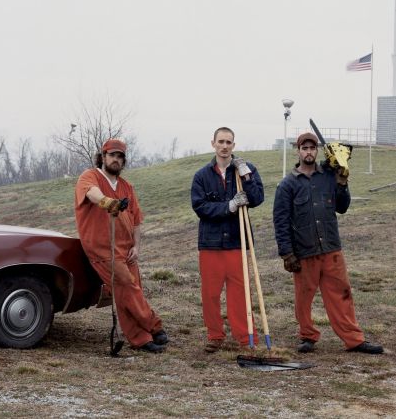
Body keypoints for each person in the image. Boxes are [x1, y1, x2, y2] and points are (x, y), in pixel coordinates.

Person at [272, 131, 383, 355]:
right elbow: (281, 222)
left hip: (331, 249)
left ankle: (354, 340)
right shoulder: (288, 185)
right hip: (304, 252)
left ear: (317, 151)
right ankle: (307, 337)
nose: (309, 152)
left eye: (312, 148)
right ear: (298, 151)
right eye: (305, 148)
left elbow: (342, 207)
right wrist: (287, 253)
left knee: (342, 295)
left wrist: (342, 183)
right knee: (303, 298)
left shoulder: (329, 176)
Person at [74, 138, 168, 353]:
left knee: (129, 291)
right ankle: (153, 326)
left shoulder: (127, 187)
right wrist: (108, 202)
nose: (116, 160)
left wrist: (136, 246)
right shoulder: (90, 176)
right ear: (103, 156)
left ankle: (140, 339)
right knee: (126, 285)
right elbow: (92, 193)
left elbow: (136, 220)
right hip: (102, 248)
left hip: (127, 249)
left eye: (120, 157)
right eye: (112, 155)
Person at [190, 126, 264, 353]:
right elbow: (200, 207)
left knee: (239, 293)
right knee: (210, 294)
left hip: (237, 242)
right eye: (220, 141)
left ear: (234, 145)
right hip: (211, 244)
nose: (224, 146)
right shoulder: (202, 176)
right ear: (213, 143)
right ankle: (215, 335)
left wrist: (246, 176)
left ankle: (244, 337)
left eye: (228, 142)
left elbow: (257, 198)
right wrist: (229, 206)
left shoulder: (245, 170)